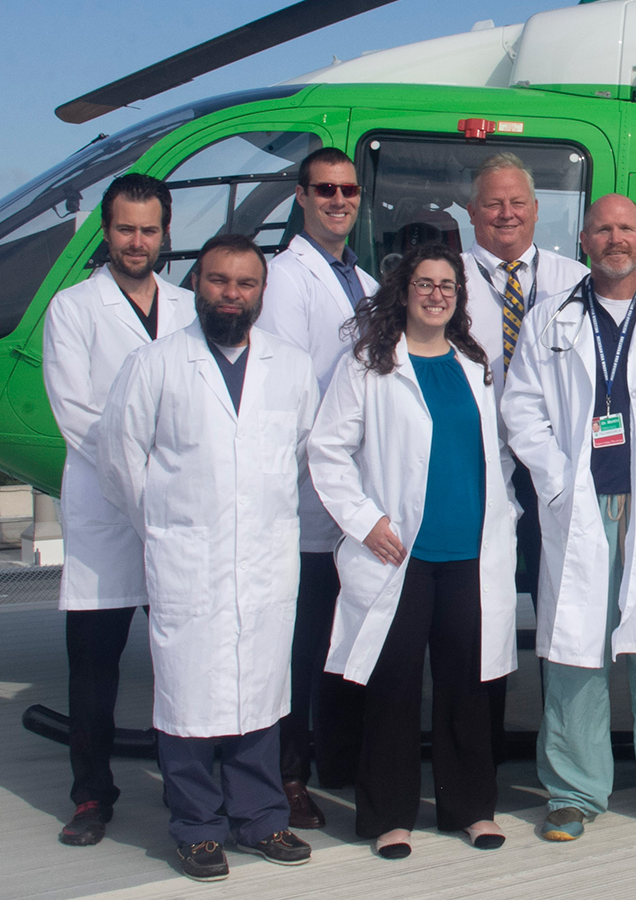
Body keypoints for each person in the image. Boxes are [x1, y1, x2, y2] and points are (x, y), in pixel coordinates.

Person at [500, 194, 636, 841]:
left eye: (626, 228)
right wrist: (555, 481)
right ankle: (573, 791)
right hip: (580, 510)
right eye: (603, 228)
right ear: (585, 238)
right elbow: (522, 410)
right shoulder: (550, 318)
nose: (615, 238)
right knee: (575, 653)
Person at [98, 234, 317, 881]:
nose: (232, 294)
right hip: (187, 558)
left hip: (265, 558)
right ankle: (196, 827)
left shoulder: (293, 366)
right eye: (219, 281)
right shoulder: (155, 365)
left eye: (245, 283)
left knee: (258, 691)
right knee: (190, 698)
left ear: (261, 292)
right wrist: (171, 525)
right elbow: (119, 460)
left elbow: (304, 456)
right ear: (198, 285)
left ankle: (261, 818)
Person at [308, 243, 519, 858]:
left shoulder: (473, 363)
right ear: (403, 292)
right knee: (393, 687)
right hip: (400, 554)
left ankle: (472, 808)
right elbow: (327, 450)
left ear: (460, 296)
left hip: (469, 553)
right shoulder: (371, 364)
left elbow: (495, 450)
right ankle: (388, 817)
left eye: (447, 285)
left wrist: (505, 507)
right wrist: (364, 519)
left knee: (467, 687)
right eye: (425, 284)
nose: (436, 294)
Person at [41, 173, 194, 847]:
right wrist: (149, 473)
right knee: (95, 662)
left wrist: (173, 476)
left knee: (185, 655)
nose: (138, 242)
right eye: (126, 229)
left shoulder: (191, 306)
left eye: (149, 230)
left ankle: (190, 782)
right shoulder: (72, 309)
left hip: (179, 510)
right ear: (106, 233)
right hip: (106, 509)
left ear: (166, 233)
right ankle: (90, 795)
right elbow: (78, 416)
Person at [255, 146, 379, 829]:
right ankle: (287, 772)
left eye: (348, 190)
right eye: (325, 189)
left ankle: (335, 759)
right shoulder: (285, 278)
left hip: (351, 495)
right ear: (301, 196)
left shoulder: (355, 277)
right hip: (311, 494)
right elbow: (290, 388)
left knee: (342, 639)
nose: (338, 200)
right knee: (301, 650)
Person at [460, 152, 590, 607]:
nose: (507, 213)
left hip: (552, 460)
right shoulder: (446, 282)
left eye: (518, 202)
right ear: (472, 212)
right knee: (477, 597)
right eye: (494, 204)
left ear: (536, 209)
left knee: (559, 596)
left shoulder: (577, 281)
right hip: (474, 460)